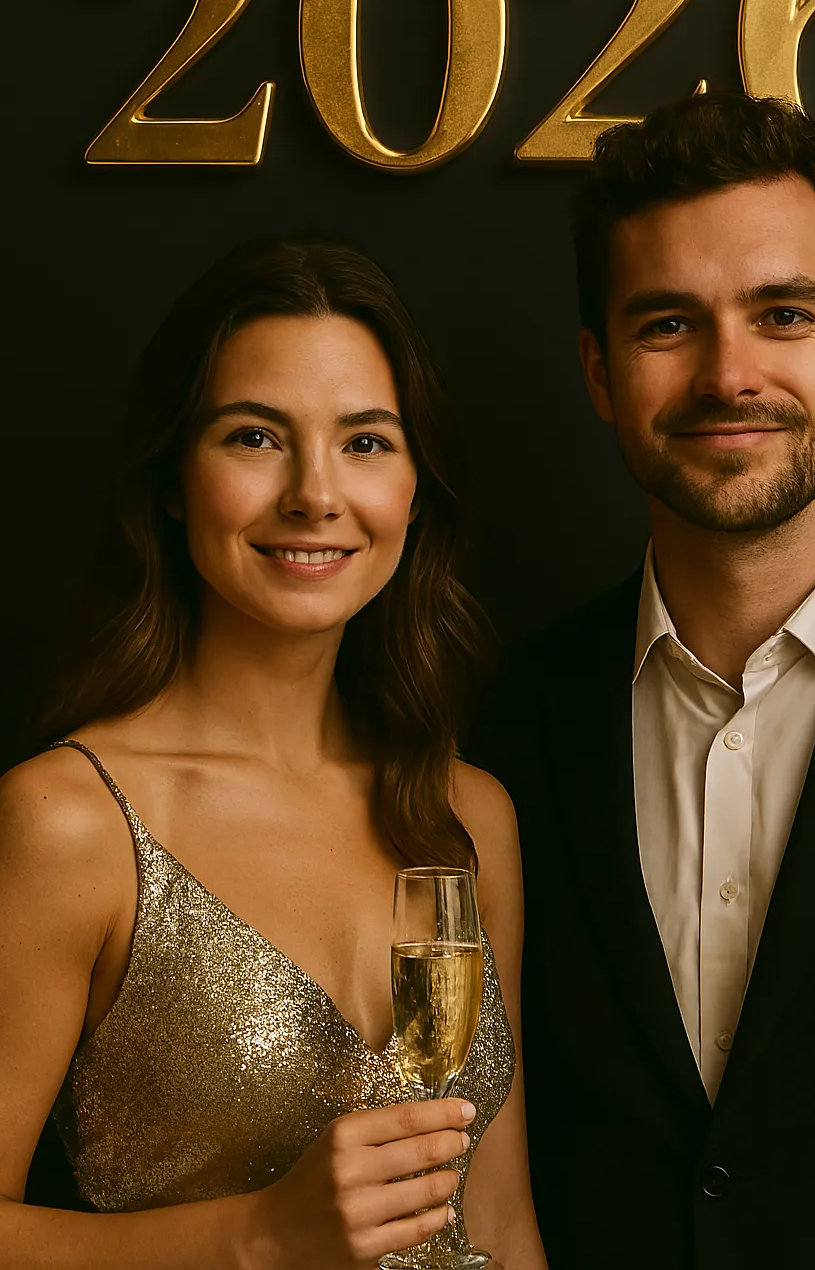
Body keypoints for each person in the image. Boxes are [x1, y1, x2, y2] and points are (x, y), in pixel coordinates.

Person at [471, 93, 815, 1269]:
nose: (728, 374)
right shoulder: (496, 723)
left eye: (781, 314)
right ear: (598, 370)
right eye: (668, 323)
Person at [0, 240, 547, 1270]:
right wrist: (254, 1236)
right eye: (255, 437)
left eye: (366, 442)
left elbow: (503, 1226)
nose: (314, 494)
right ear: (174, 478)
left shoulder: (468, 814)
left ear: (416, 491)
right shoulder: (70, 820)